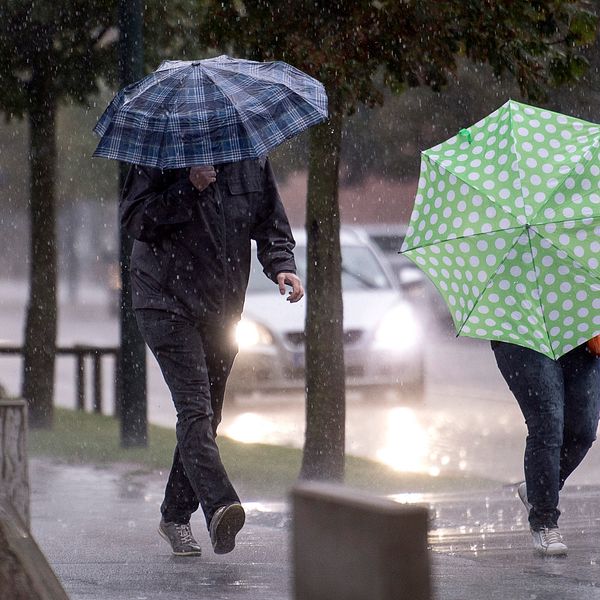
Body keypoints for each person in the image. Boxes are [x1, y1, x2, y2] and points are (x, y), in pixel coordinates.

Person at [120, 158, 303, 556]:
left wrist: (282, 266)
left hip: (221, 308)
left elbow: (270, 220)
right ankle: (221, 506)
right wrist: (188, 186)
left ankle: (173, 516)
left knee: (207, 417)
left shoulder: (251, 159)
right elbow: (136, 219)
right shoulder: (162, 153)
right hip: (164, 300)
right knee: (196, 411)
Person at [491, 340, 600, 556]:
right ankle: (544, 520)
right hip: (522, 332)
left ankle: (537, 490)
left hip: (578, 333)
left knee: (583, 429)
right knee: (547, 420)